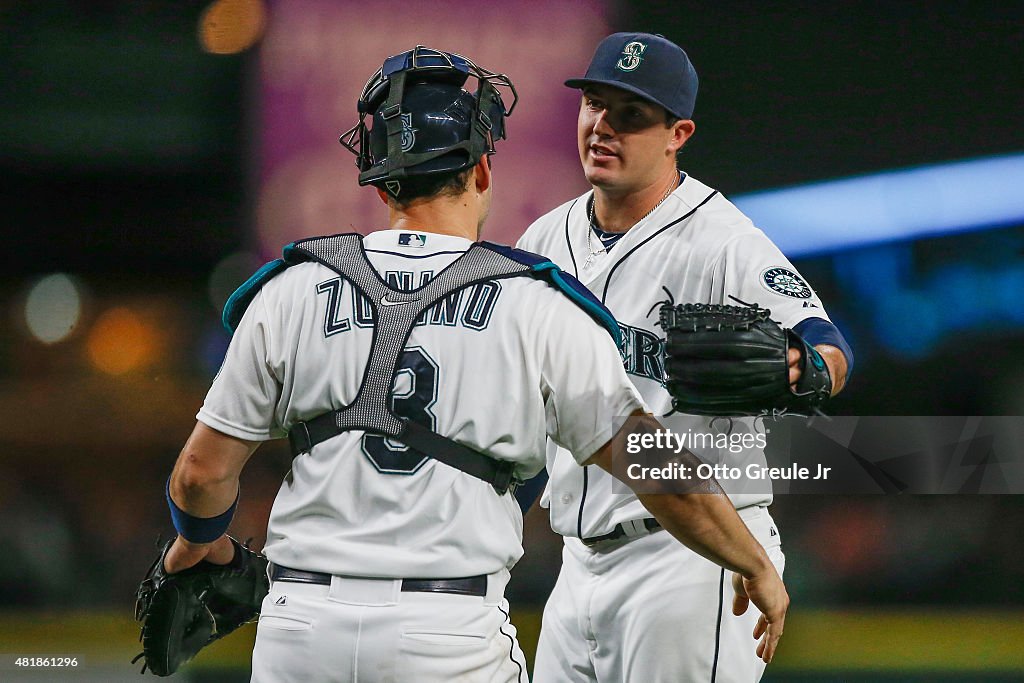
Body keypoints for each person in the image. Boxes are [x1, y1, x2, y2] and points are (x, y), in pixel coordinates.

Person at [159, 45, 788, 683]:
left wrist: (198, 541)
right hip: (444, 630)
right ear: (482, 170)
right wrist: (752, 558)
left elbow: (198, 476)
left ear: (378, 175)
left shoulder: (290, 287)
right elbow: (656, 469)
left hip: (299, 628)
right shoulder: (533, 298)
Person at [517, 32, 854, 683]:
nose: (603, 126)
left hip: (692, 561)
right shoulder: (544, 239)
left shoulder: (723, 242)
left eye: (632, 115)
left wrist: (802, 368)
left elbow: (830, 349)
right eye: (594, 103)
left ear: (679, 133)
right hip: (576, 564)